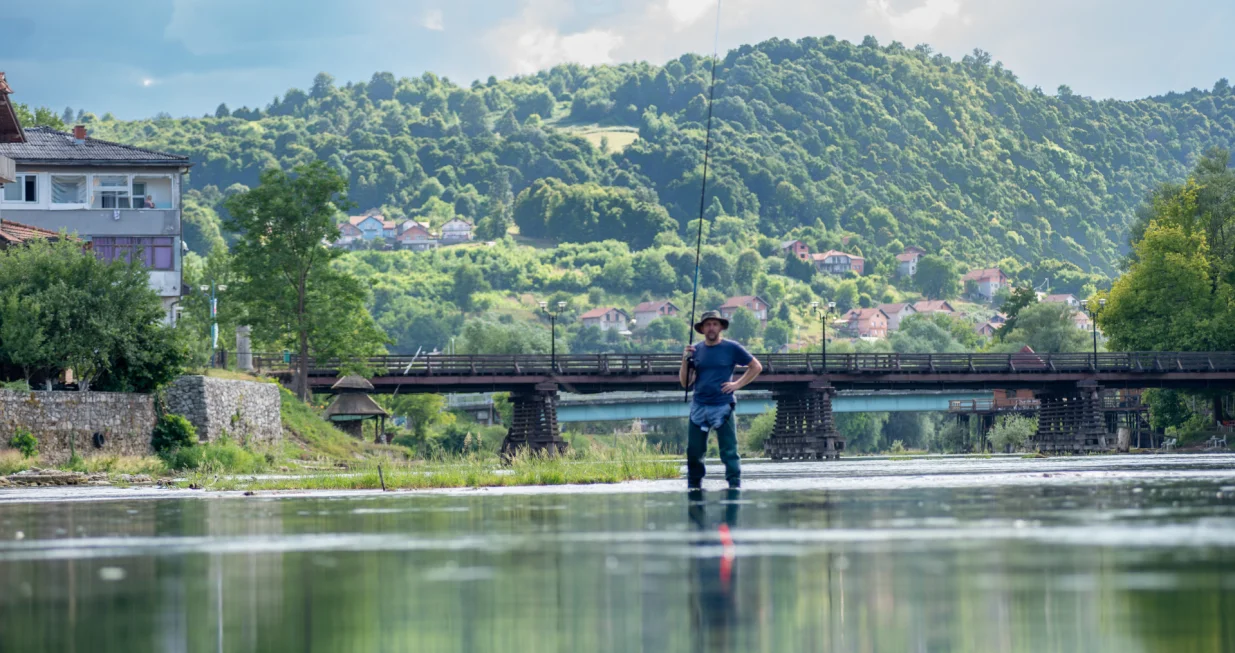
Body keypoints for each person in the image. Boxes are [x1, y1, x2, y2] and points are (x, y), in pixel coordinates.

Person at [679, 310, 763, 490]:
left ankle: (734, 486)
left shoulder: (731, 348)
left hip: (722, 406)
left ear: (720, 327)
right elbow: (685, 382)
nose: (711, 327)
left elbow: (756, 366)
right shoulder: (696, 350)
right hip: (698, 407)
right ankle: (694, 487)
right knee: (694, 452)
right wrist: (685, 361)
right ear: (702, 328)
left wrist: (737, 384)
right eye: (707, 324)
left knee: (729, 452)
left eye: (714, 324)